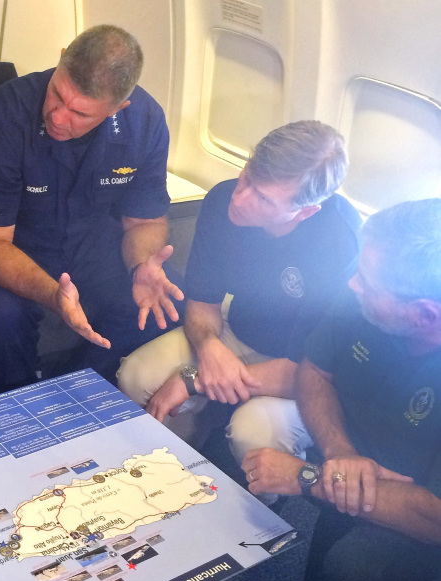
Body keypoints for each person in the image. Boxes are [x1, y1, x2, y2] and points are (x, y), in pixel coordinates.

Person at [241, 199, 441, 581]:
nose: (353, 283)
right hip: (364, 468)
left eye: (368, 284)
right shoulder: (363, 295)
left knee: (351, 577)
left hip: (427, 511)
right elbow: (316, 369)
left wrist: (308, 478)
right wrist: (339, 455)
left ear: (423, 314)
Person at [0, 24, 183, 396]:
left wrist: (142, 264)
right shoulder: (4, 114)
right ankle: (20, 405)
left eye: (80, 113)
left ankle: (73, 394)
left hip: (92, 243)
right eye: (57, 95)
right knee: (1, 318)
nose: (58, 117)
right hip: (14, 245)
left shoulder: (146, 121)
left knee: (169, 299)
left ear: (117, 109)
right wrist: (53, 296)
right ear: (61, 59)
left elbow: (144, 220)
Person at [116, 122, 360, 469]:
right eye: (247, 177)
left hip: (308, 368)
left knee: (254, 432)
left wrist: (196, 380)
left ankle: (264, 508)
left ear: (304, 212)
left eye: (263, 198)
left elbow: (309, 370)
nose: (240, 198)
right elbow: (203, 301)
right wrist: (210, 347)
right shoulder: (221, 200)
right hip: (240, 327)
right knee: (137, 377)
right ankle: (175, 464)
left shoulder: (339, 242)